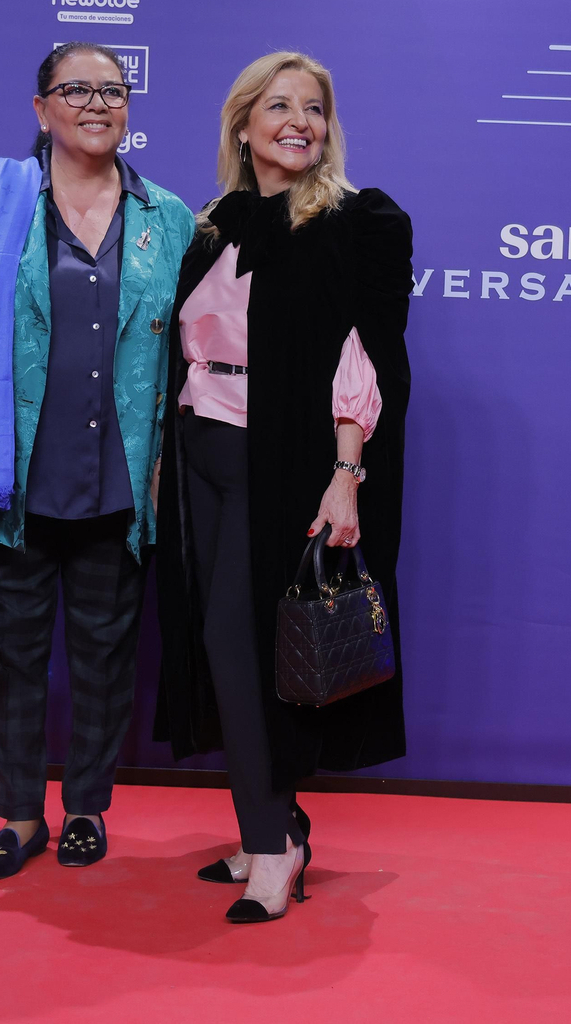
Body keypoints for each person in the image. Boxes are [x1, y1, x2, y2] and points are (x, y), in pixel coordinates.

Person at [0, 42, 194, 880]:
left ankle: (88, 810)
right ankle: (21, 815)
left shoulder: (167, 216)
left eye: (113, 89)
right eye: (76, 89)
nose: (97, 103)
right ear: (40, 109)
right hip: (9, 475)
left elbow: (197, 344)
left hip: (121, 480)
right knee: (16, 659)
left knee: (106, 660)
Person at [153, 52, 414, 922]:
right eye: (278, 106)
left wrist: (346, 475)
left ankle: (273, 847)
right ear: (243, 123)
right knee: (213, 645)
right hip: (199, 458)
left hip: (286, 465)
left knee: (243, 647)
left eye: (314, 108)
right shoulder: (211, 223)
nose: (298, 120)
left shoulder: (356, 222)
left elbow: (365, 357)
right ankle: (273, 820)